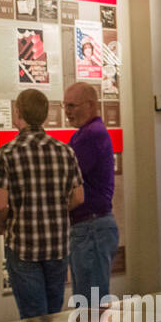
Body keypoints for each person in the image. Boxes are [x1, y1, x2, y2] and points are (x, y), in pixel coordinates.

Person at [0, 88, 83, 319]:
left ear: (18, 111)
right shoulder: (65, 151)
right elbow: (79, 197)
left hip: (23, 245)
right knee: (53, 316)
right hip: (57, 246)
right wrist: (56, 209)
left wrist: (2, 224)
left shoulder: (6, 153)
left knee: (33, 319)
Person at [63, 82, 118, 307]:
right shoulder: (88, 134)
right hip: (91, 228)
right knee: (88, 302)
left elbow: (67, 180)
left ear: (91, 105)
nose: (67, 111)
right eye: (65, 106)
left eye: (72, 105)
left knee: (90, 306)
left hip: (90, 229)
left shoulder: (90, 136)